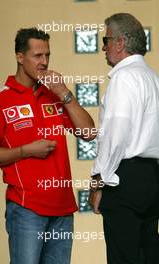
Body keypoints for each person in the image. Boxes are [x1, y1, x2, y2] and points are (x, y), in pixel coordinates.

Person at [0, 27, 95, 264]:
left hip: (63, 210)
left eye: (47, 56)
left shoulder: (55, 95)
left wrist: (65, 92)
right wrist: (25, 151)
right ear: (19, 57)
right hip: (26, 209)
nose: (44, 62)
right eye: (37, 56)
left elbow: (89, 132)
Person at [89, 13, 159, 264]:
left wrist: (98, 183)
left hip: (124, 180)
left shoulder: (123, 77)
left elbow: (114, 137)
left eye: (105, 40)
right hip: (152, 178)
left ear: (120, 43)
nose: (103, 48)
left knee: (123, 257)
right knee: (149, 254)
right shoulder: (154, 79)